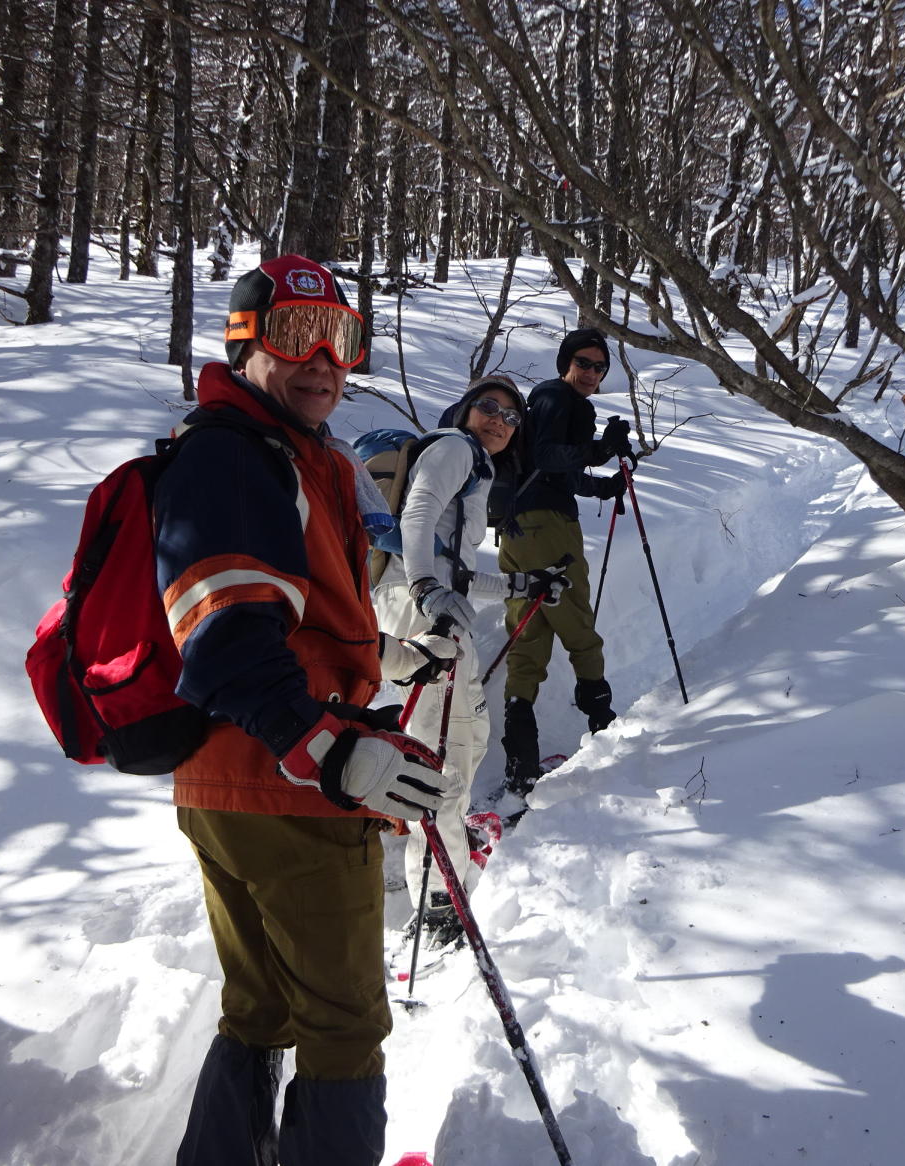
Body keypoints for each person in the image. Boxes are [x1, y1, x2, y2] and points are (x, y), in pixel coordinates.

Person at [153, 254, 461, 1166]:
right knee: (343, 1026)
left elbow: (292, 614)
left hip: (230, 777)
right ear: (244, 343)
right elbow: (222, 630)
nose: (324, 359)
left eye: (342, 339)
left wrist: (387, 654)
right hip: (287, 782)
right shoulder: (232, 455)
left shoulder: (282, 453)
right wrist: (330, 749)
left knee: (261, 1008)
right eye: (296, 336)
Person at [370, 376, 569, 951]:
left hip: (423, 603)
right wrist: (429, 589)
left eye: (511, 416)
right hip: (422, 608)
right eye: (488, 406)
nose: (499, 419)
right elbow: (418, 516)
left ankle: (432, 848)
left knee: (462, 731)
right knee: (446, 751)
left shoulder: (473, 464)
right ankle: (438, 902)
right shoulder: (456, 448)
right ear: (464, 409)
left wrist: (520, 583)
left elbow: (452, 564)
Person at [497, 326, 634, 796]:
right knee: (575, 617)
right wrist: (601, 448)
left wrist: (602, 484)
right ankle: (603, 725)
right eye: (584, 363)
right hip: (548, 530)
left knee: (529, 627)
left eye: (599, 367)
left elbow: (556, 473)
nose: (591, 373)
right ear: (565, 364)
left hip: (517, 528)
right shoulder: (558, 397)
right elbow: (548, 456)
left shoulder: (547, 402)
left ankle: (521, 757)